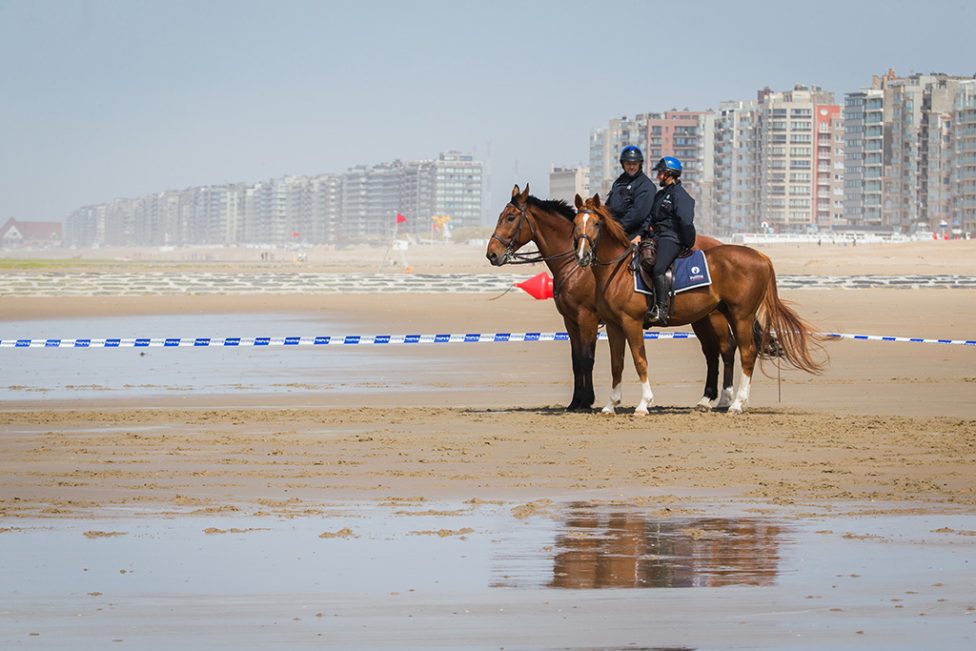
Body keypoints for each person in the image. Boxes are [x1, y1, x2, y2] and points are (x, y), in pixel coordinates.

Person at [642, 156, 696, 326]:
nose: (658, 176)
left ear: (669, 174)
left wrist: (688, 242)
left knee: (658, 268)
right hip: (656, 237)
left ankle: (661, 309)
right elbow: (650, 217)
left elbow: (686, 222)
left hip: (671, 238)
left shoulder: (681, 196)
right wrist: (644, 232)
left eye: (660, 173)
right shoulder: (660, 196)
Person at [606, 145, 655, 243]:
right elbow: (609, 206)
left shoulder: (646, 185)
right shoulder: (619, 182)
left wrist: (616, 227)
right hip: (615, 230)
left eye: (634, 164)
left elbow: (638, 214)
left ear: (639, 164)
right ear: (623, 164)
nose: (631, 167)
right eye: (628, 163)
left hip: (635, 233)